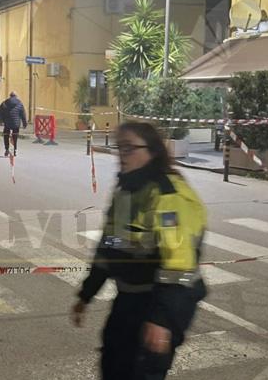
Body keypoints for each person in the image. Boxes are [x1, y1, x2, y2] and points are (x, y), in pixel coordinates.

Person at [70, 122, 208, 380]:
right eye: (120, 148)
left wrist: (162, 320)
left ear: (152, 151)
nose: (122, 155)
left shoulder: (168, 196)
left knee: (142, 371)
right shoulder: (127, 190)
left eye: (130, 148)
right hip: (130, 298)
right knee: (112, 363)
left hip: (163, 301)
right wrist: (85, 295)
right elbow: (109, 247)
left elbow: (179, 265)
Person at [0, 92, 28, 156]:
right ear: (16, 96)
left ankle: (7, 149)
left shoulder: (5, 103)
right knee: (15, 136)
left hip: (7, 122)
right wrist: (24, 123)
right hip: (16, 123)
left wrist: (1, 120)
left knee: (6, 135)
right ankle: (14, 150)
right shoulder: (19, 103)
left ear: (10, 96)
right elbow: (23, 114)